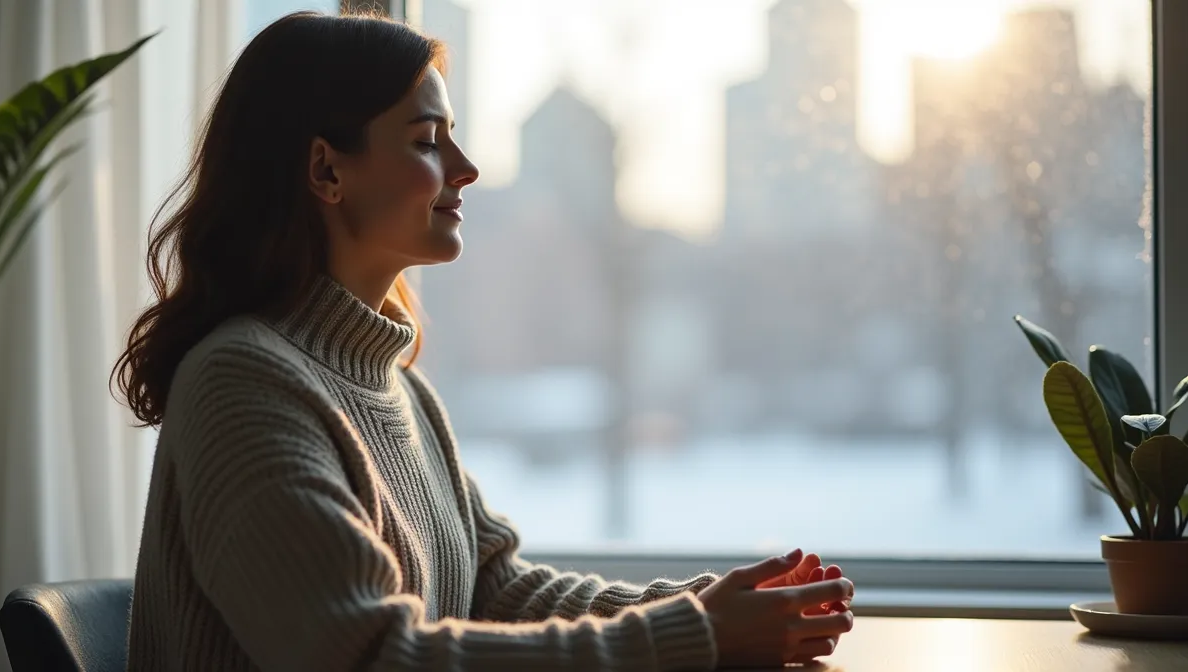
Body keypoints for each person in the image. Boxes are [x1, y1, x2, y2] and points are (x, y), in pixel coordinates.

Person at [113, 11, 854, 671]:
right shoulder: (241, 383)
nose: (466, 170)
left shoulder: (401, 391)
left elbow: (497, 591)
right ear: (326, 169)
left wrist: (709, 608)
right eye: (428, 141)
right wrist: (698, 637)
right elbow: (371, 657)